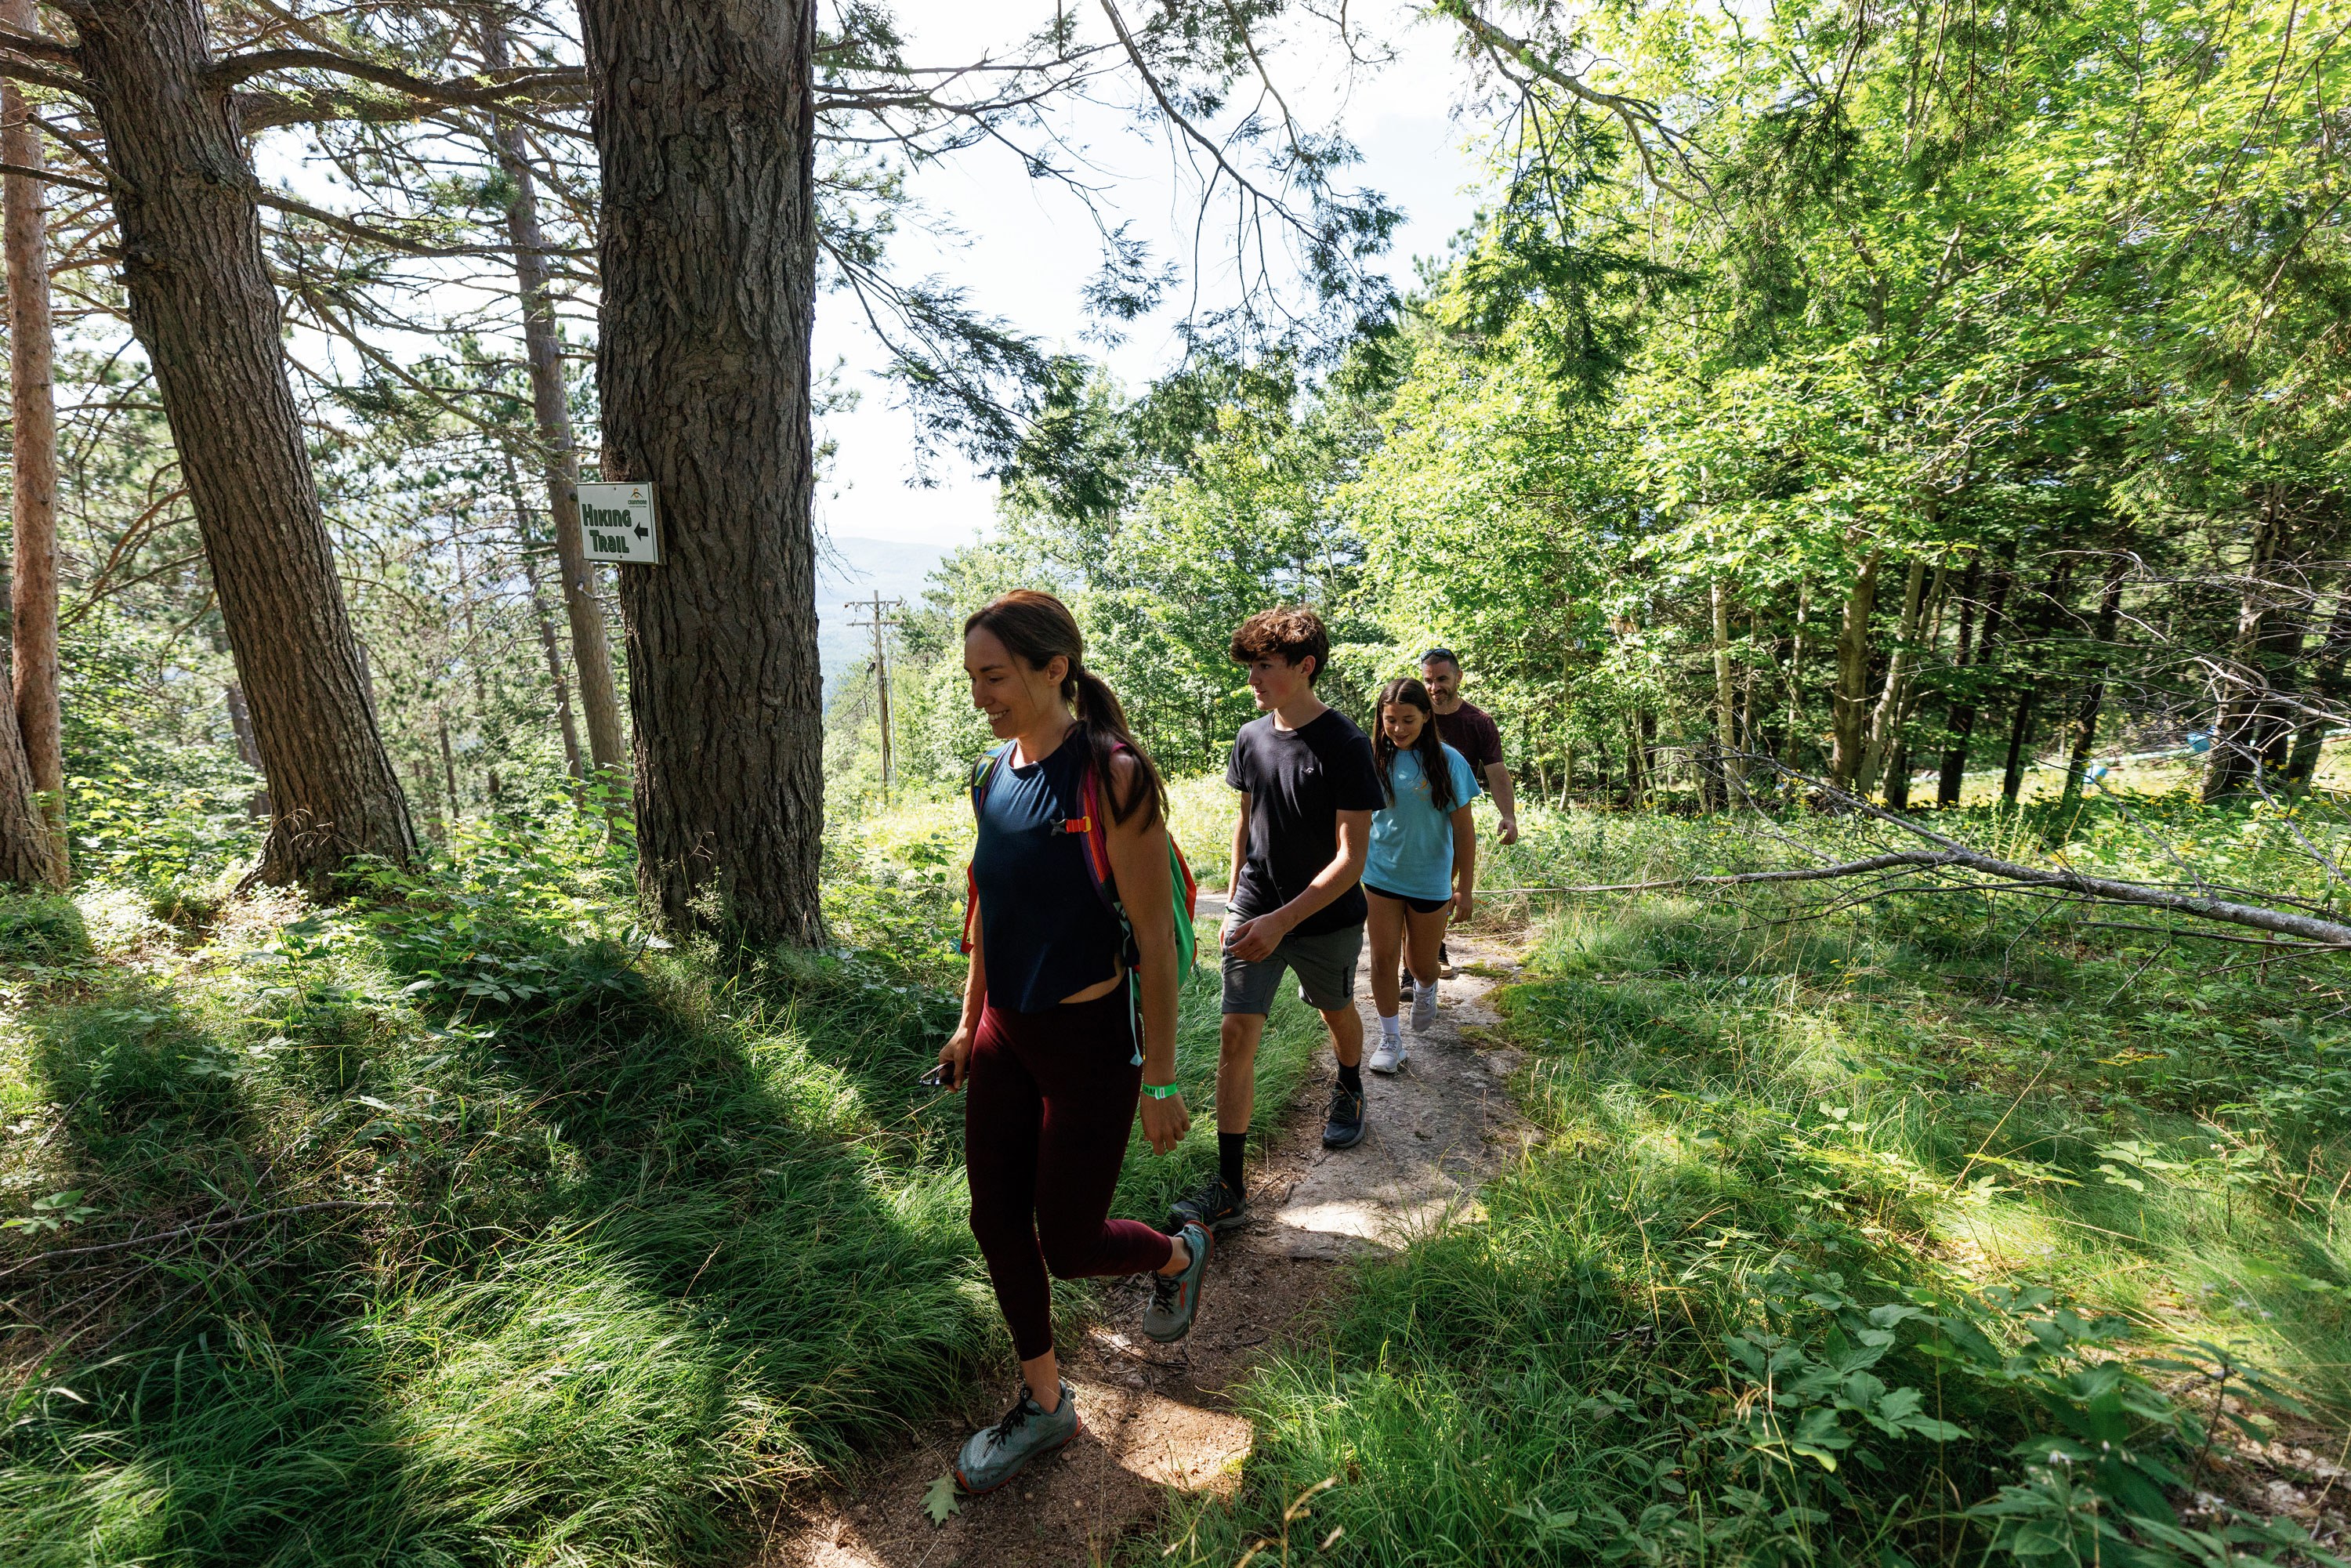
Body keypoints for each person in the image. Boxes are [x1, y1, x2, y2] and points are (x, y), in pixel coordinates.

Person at [938, 590, 1213, 1496]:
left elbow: (1158, 944)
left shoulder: (1114, 776)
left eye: (997, 675)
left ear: (1055, 668)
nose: (982, 693)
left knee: (1069, 1240)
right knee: (994, 1222)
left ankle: (1176, 1254)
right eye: (974, 676)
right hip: (1003, 1035)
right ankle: (1047, 1403)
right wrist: (968, 1017)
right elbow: (991, 910)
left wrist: (1162, 1078)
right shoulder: (993, 775)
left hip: (1092, 1040)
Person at [1168, 607, 1384, 1238]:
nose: (1254, 678)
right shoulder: (1249, 737)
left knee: (1337, 1010)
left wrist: (1283, 923)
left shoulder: (1345, 744)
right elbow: (1246, 817)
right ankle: (1231, 1189)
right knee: (1236, 1036)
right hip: (1258, 906)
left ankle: (1349, 1083)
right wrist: (1238, 899)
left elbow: (1351, 861)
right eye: (1251, 667)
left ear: (1305, 666)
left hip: (1325, 916)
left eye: (1266, 666)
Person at [1363, 678, 1479, 1073]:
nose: (1398, 729)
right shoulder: (1372, 758)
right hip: (1379, 877)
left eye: (1408, 719)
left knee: (1421, 963)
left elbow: (1464, 830)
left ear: (1427, 718)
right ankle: (1391, 1040)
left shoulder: (1449, 761)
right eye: (1390, 719)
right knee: (1382, 959)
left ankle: (1427, 989)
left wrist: (1464, 888)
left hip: (1430, 880)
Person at [1412, 647, 1517, 983]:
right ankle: (1413, 967)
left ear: (1458, 677)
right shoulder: (1413, 715)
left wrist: (1509, 815)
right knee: (1409, 889)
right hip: (1411, 821)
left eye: (1441, 679)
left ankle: (1432, 946)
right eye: (1428, 680)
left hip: (1451, 824)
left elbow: (1497, 773)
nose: (1434, 688)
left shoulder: (1478, 722)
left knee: (1440, 888)